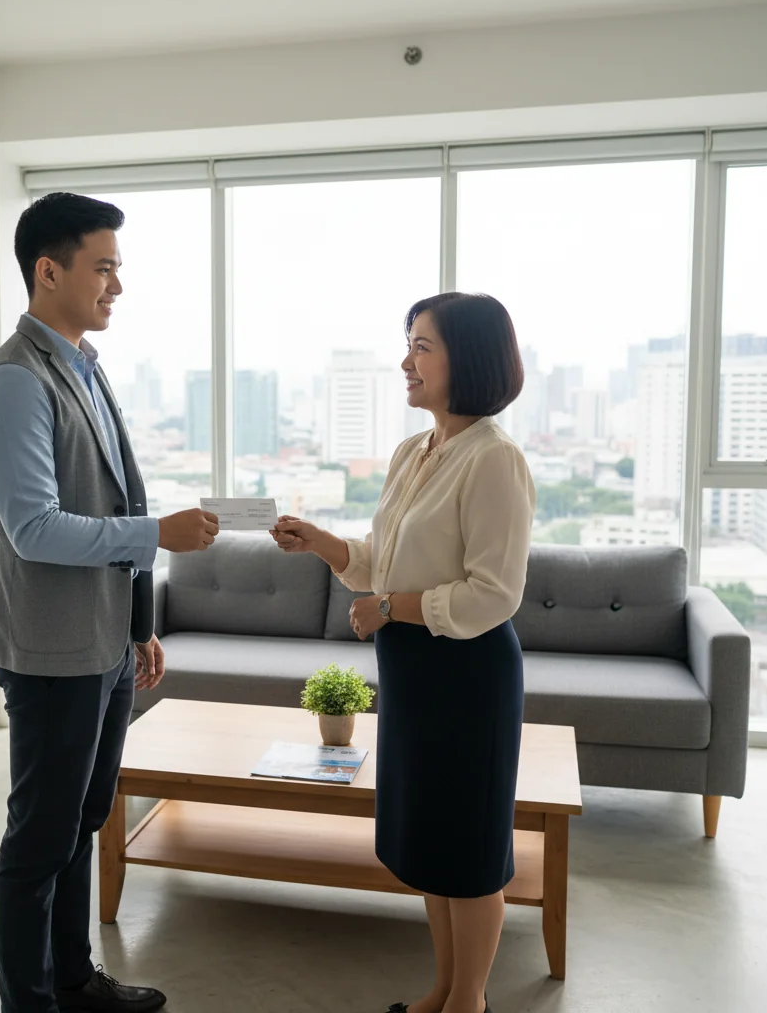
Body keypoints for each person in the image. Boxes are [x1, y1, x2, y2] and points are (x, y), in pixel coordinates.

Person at [0, 192, 219, 1013]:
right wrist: (158, 534)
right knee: (38, 842)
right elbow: (35, 528)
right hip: (51, 650)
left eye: (118, 268)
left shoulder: (84, 365)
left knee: (84, 821)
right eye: (103, 267)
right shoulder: (14, 381)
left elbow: (112, 501)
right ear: (49, 271)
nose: (117, 285)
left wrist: (141, 624)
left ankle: (73, 981)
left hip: (107, 644)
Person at [272, 292, 534, 1013]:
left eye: (422, 347)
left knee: (473, 857)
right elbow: (383, 562)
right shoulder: (413, 452)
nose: (405, 361)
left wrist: (390, 609)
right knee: (435, 845)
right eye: (408, 343)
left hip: (468, 675)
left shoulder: (495, 460)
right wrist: (324, 545)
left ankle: (468, 1004)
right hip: (416, 673)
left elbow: (492, 595)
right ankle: (446, 990)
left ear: (467, 360)